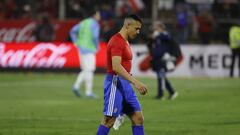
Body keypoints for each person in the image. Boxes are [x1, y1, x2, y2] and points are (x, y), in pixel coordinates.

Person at [96, 14, 148, 135]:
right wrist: (136, 82)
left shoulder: (124, 41)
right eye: (136, 28)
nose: (138, 32)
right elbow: (116, 67)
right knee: (108, 121)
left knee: (138, 119)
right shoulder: (117, 41)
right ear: (127, 25)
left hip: (125, 84)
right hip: (115, 83)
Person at [70, 8, 101, 98]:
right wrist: (97, 46)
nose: (99, 16)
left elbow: (72, 31)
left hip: (80, 47)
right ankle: (88, 92)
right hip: (89, 48)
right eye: (98, 14)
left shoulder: (83, 22)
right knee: (90, 69)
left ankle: (76, 86)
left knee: (85, 69)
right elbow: (95, 36)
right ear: (95, 15)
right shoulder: (95, 24)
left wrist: (75, 42)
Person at [149, 21, 183, 100]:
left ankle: (160, 95)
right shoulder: (156, 37)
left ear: (160, 28)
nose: (155, 29)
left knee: (161, 76)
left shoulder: (165, 35)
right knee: (161, 76)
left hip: (163, 59)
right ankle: (172, 92)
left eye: (156, 27)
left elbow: (168, 37)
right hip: (157, 59)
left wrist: (159, 35)